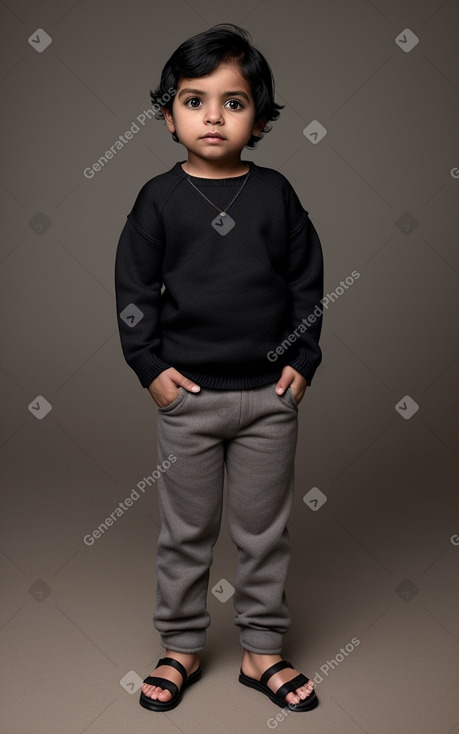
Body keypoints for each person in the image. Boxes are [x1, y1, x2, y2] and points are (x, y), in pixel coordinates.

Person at [115, 23, 323, 713]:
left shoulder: (275, 195)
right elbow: (134, 293)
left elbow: (305, 283)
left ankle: (262, 652)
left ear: (258, 119)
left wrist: (303, 358)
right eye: (194, 100)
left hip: (268, 397)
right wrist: (150, 370)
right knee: (186, 531)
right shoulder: (158, 199)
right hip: (189, 400)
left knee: (264, 532)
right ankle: (180, 647)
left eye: (233, 102)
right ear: (168, 115)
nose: (212, 115)